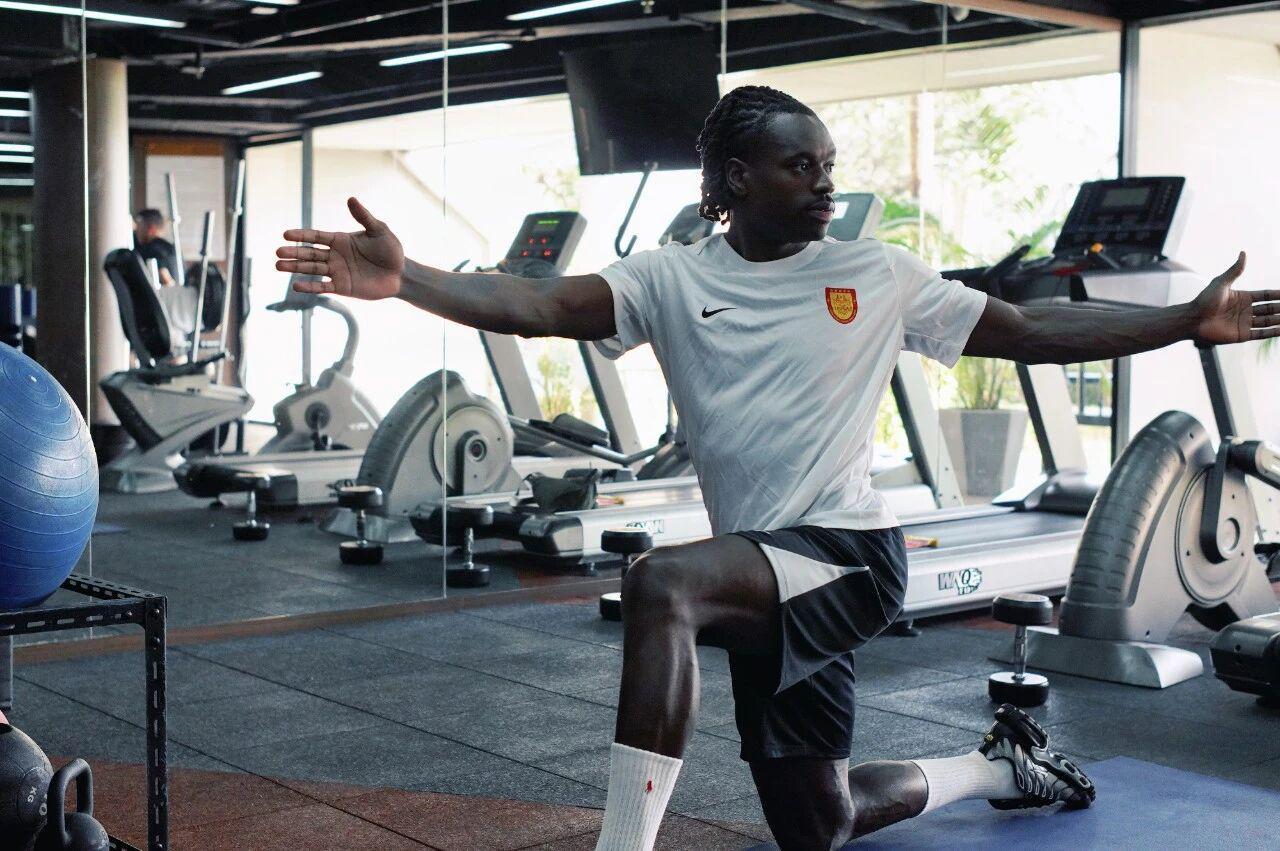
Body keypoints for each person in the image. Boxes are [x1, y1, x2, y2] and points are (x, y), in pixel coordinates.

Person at [274, 86, 1279, 850]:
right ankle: (991, 765)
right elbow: (533, 305)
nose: (825, 183)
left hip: (848, 555)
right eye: (800, 166)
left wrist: (1180, 320)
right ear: (738, 178)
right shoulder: (669, 278)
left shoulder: (875, 271)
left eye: (828, 164)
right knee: (817, 821)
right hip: (765, 566)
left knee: (662, 582)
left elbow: (1029, 328)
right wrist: (407, 280)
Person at [132, 208, 180, 287]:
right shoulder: (173, 249)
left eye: (139, 226)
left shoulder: (152, 249)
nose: (136, 231)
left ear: (150, 228)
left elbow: (166, 280)